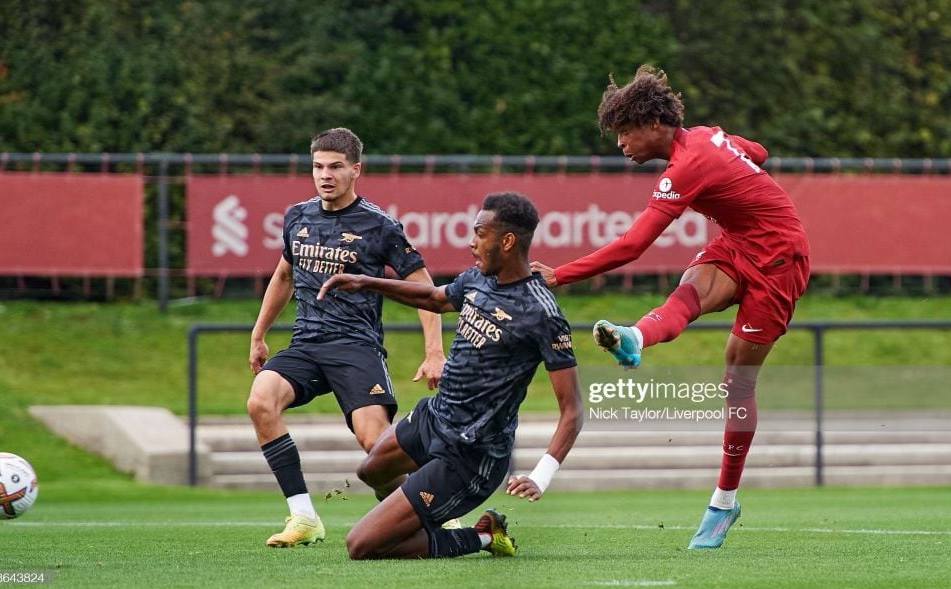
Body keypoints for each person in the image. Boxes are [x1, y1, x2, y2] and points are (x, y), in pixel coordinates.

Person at [532, 65, 810, 549]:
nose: (621, 145)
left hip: (781, 259)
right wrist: (740, 160)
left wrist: (560, 274)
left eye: (625, 132)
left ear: (655, 123)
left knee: (736, 380)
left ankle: (724, 501)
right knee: (692, 285)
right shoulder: (705, 138)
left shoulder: (688, 165)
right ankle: (635, 338)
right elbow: (760, 152)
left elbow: (631, 246)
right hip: (740, 242)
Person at [316, 191, 583, 559]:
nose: (471, 242)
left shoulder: (542, 314)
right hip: (435, 416)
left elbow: (572, 409)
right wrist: (367, 282)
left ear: (507, 241)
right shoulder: (479, 277)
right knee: (371, 470)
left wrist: (541, 475)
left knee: (361, 545)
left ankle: (485, 536)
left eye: (479, 233)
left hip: (471, 453)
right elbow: (435, 299)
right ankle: (422, 514)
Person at [247, 127, 446, 548]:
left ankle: (431, 514)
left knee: (377, 447)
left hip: (356, 347)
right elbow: (284, 275)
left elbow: (425, 289)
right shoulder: (297, 217)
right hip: (306, 344)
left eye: (336, 167)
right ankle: (303, 517)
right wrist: (259, 332)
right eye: (318, 166)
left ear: (356, 170)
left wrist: (434, 351)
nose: (325, 175)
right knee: (260, 401)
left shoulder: (380, 226)